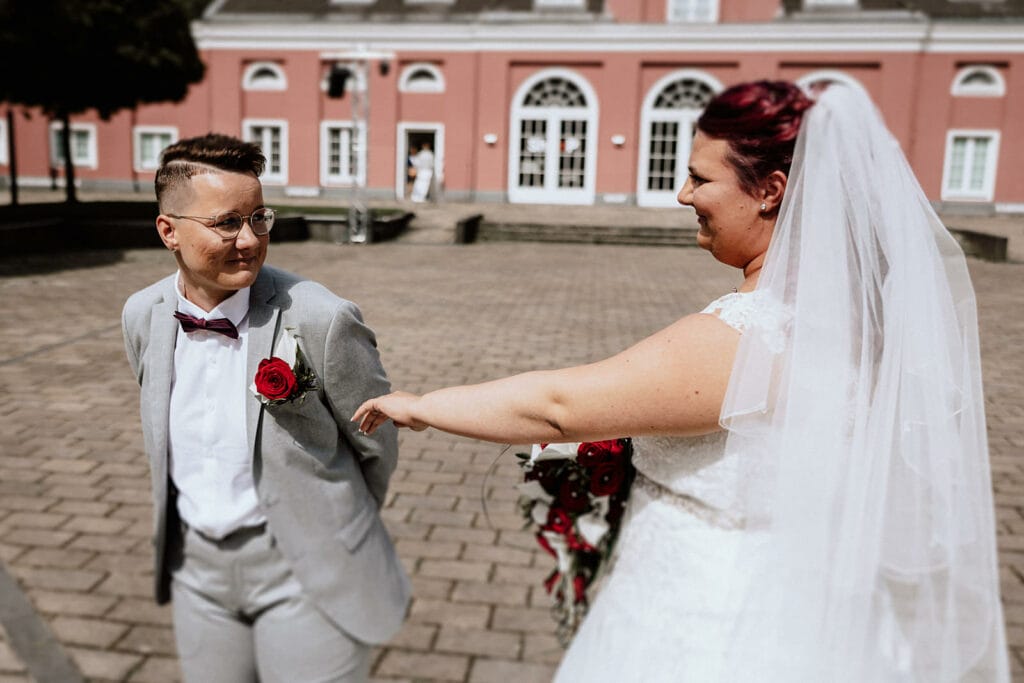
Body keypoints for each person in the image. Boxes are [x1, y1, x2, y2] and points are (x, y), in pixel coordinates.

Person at [354, 82, 1009, 681]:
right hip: (812, 611)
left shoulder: (748, 338)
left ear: (770, 189)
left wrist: (422, 405)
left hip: (705, 621)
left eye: (699, 178)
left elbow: (559, 408)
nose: (682, 194)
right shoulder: (863, 323)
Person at [122, 133, 409, 682]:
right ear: (168, 231)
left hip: (306, 567)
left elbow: (376, 440)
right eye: (227, 223)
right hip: (196, 571)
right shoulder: (143, 315)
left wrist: (335, 520)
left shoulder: (322, 319)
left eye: (259, 218)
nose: (250, 240)